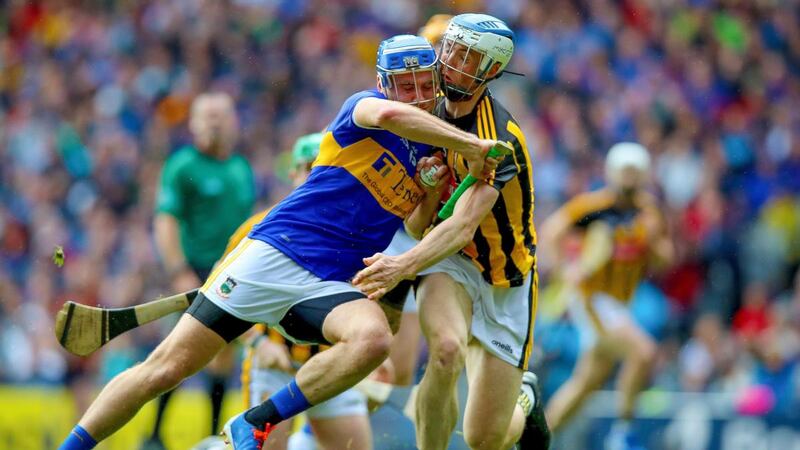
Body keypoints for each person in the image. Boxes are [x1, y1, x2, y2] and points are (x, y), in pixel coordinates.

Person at [57, 34, 496, 450]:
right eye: (405, 86)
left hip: (328, 284)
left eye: (425, 85)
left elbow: (416, 227)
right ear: (383, 84)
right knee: (165, 369)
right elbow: (390, 117)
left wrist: (430, 189)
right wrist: (472, 145)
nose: (417, 95)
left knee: (373, 339)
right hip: (277, 254)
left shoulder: (431, 153)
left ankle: (255, 421)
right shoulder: (364, 107)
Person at [353, 14, 551, 450]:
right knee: (445, 351)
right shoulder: (428, 114)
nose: (452, 63)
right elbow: (417, 226)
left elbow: (462, 226)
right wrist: (426, 190)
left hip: (505, 276)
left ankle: (526, 398)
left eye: (468, 57)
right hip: (451, 262)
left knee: (485, 438)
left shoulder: (499, 139)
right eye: (452, 50)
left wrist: (400, 266)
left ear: (491, 70)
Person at [540, 142, 674, 450]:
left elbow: (664, 261)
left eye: (635, 172)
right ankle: (623, 434)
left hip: (620, 306)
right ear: (612, 172)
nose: (629, 177)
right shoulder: (593, 207)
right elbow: (551, 233)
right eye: (625, 171)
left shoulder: (649, 212)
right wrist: (565, 270)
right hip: (593, 299)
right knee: (643, 352)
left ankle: (537, 440)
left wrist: (653, 240)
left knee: (585, 384)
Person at [148, 92, 254, 448]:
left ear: (234, 123)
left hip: (230, 272)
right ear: (192, 124)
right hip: (193, 270)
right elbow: (165, 220)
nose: (214, 123)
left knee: (223, 353)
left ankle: (210, 435)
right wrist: (178, 270)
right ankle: (155, 435)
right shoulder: (183, 165)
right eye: (207, 116)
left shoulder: (241, 169)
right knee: (178, 351)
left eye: (220, 115)